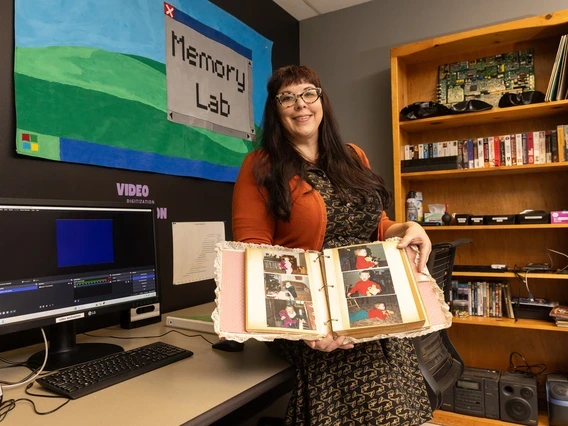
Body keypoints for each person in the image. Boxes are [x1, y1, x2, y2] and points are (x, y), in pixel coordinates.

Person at [232, 64, 433, 425]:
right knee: (372, 385)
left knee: (394, 369)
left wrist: (405, 226)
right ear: (276, 109)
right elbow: (255, 251)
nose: (300, 104)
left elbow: (376, 225)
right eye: (287, 98)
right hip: (301, 314)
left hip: (368, 301)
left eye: (309, 93)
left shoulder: (352, 156)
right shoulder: (260, 165)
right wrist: (311, 327)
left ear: (322, 100)